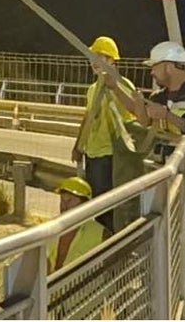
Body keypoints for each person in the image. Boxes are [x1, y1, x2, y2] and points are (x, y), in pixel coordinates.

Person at [106, 40, 185, 302]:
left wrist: (168, 116)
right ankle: (168, 282)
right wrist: (117, 88)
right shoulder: (159, 96)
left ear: (168, 66)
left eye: (155, 67)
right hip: (164, 171)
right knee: (163, 225)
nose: (152, 72)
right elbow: (141, 116)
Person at [72, 36, 135, 232]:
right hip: (93, 153)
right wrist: (78, 146)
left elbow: (134, 116)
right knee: (95, 204)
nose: (94, 61)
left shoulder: (123, 84)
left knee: (106, 207)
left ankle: (108, 245)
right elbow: (88, 117)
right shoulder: (92, 89)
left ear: (112, 60)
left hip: (110, 155)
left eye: (100, 56)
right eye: (93, 56)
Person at [46, 177, 106, 273]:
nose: (64, 206)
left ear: (85, 204)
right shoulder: (50, 230)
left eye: (69, 201)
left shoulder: (101, 233)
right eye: (62, 200)